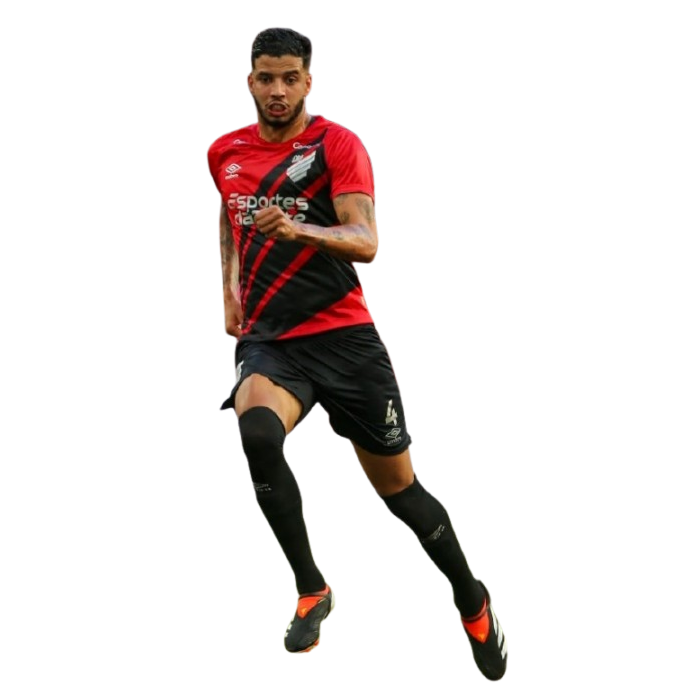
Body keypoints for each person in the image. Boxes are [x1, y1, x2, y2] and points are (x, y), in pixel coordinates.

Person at [206, 26, 508, 680]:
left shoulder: (336, 145)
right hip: (270, 339)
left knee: (400, 491)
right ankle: (312, 588)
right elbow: (229, 216)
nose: (278, 90)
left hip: (345, 339)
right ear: (250, 81)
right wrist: (229, 288)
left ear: (308, 82)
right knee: (256, 433)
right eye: (267, 78)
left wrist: (298, 229)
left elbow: (367, 241)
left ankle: (472, 599)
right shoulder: (223, 150)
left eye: (291, 78)